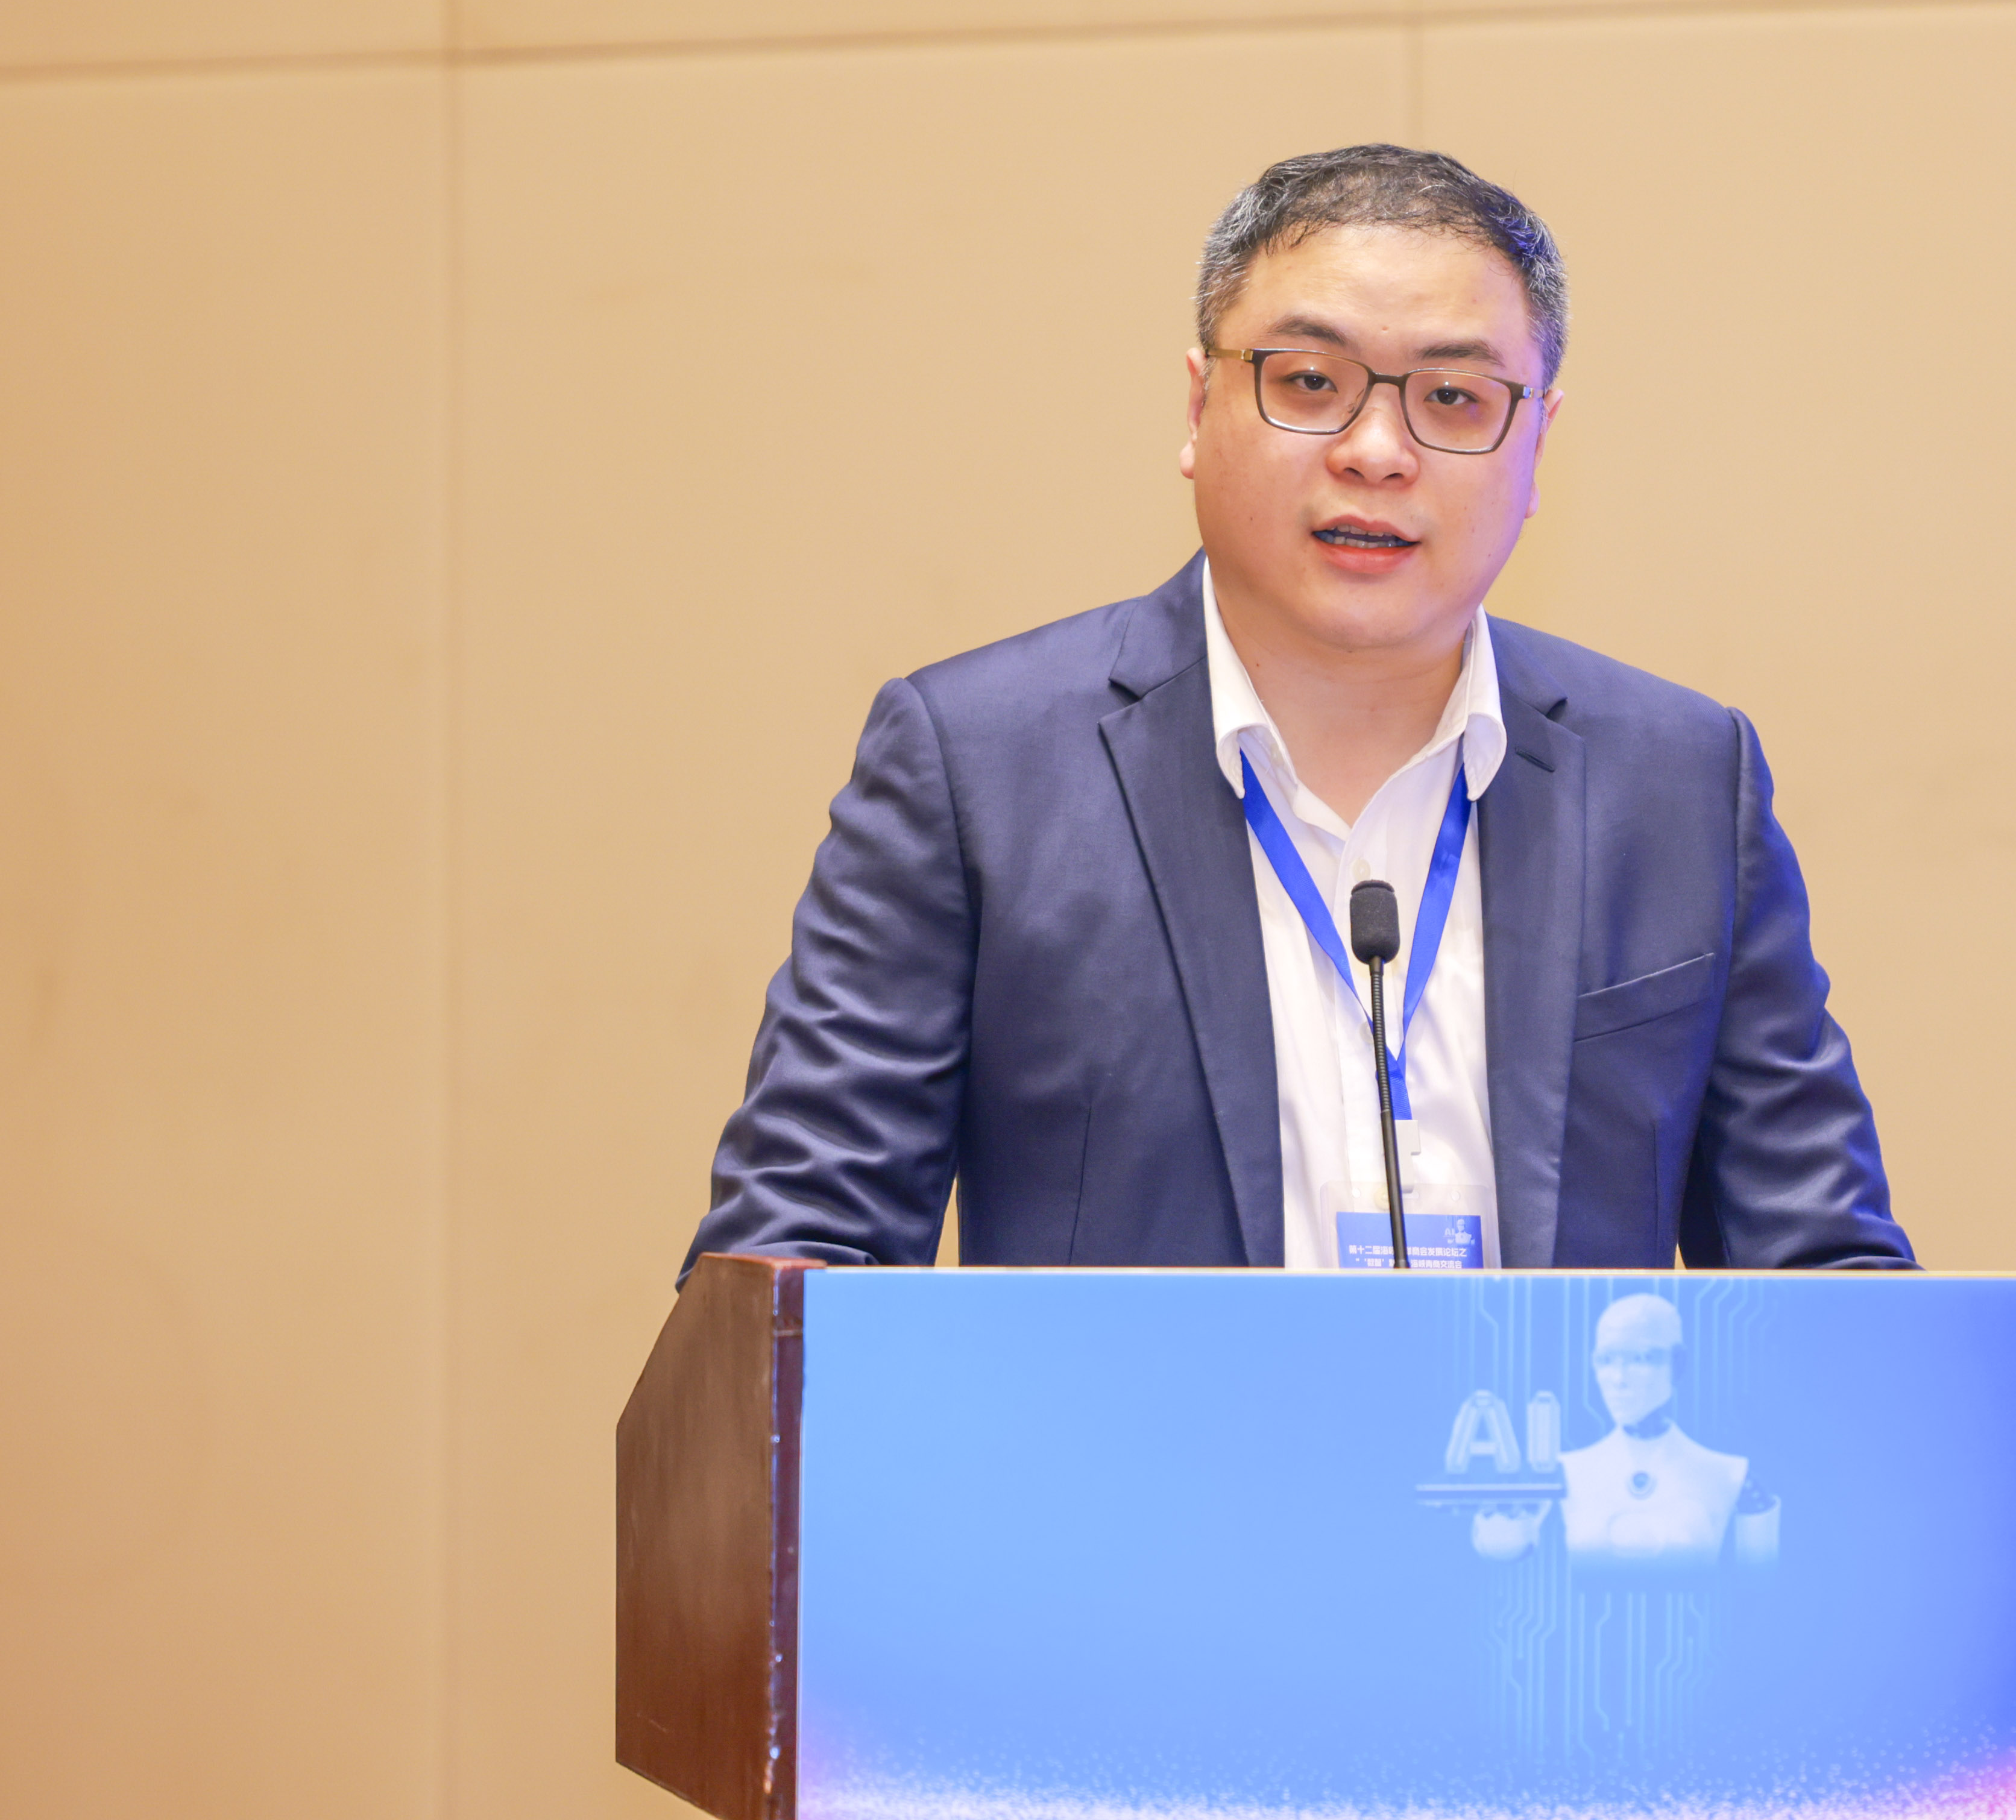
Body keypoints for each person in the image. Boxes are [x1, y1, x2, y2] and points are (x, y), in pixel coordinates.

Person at [681, 145, 1912, 1278]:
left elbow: (1827, 1279)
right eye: (1311, 382)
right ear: (1196, 409)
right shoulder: (980, 771)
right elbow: (793, 1263)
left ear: (1537, 445)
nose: (1376, 449)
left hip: (1539, 1460)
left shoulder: (1680, 784)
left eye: (1454, 398)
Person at [1552, 1293, 1776, 1570]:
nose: (1619, 1379)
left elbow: (1761, 1583)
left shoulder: (1735, 1478)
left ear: (1678, 1363)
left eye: (1641, 1358)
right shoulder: (1563, 1474)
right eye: (1606, 1360)